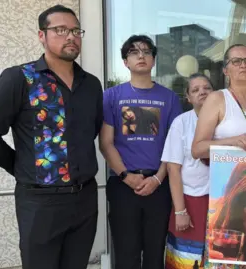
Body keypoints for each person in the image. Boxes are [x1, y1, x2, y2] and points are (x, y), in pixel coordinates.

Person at [0, 5, 103, 269]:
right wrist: (20, 166)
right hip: (39, 203)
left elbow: (89, 133)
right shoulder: (19, 78)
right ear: (41, 36)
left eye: (75, 30)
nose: (70, 36)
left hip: (84, 200)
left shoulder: (91, 84)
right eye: (60, 30)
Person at [99, 35, 182, 269]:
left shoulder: (169, 98)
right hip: (123, 185)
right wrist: (126, 176)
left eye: (146, 52)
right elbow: (106, 143)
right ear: (126, 61)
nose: (141, 56)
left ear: (154, 60)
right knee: (126, 254)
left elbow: (174, 146)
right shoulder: (111, 96)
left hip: (160, 183)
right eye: (134, 52)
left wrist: (158, 178)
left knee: (156, 252)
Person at [161, 73, 214, 268]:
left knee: (219, 256)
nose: (202, 92)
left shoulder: (227, 123)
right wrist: (180, 211)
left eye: (207, 88)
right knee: (186, 260)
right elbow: (173, 168)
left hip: (221, 202)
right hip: (190, 200)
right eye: (195, 90)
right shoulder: (181, 123)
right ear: (188, 97)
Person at [191, 43, 246, 160]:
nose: (243, 65)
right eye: (236, 61)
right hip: (230, 175)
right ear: (226, 71)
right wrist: (232, 141)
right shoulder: (217, 99)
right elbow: (197, 150)